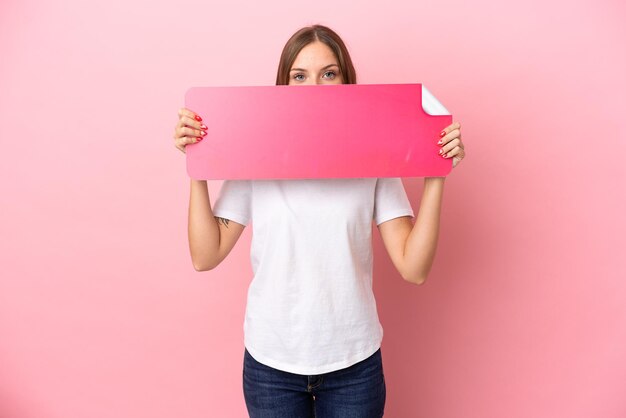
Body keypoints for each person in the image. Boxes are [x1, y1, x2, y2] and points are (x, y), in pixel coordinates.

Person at [173, 24, 465, 418]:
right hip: (271, 364)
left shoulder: (375, 158)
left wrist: (436, 174)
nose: (314, 86)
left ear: (346, 82)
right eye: (299, 76)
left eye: (329, 73)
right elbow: (205, 256)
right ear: (284, 85)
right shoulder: (254, 155)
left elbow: (413, 268)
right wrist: (200, 166)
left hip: (354, 364)